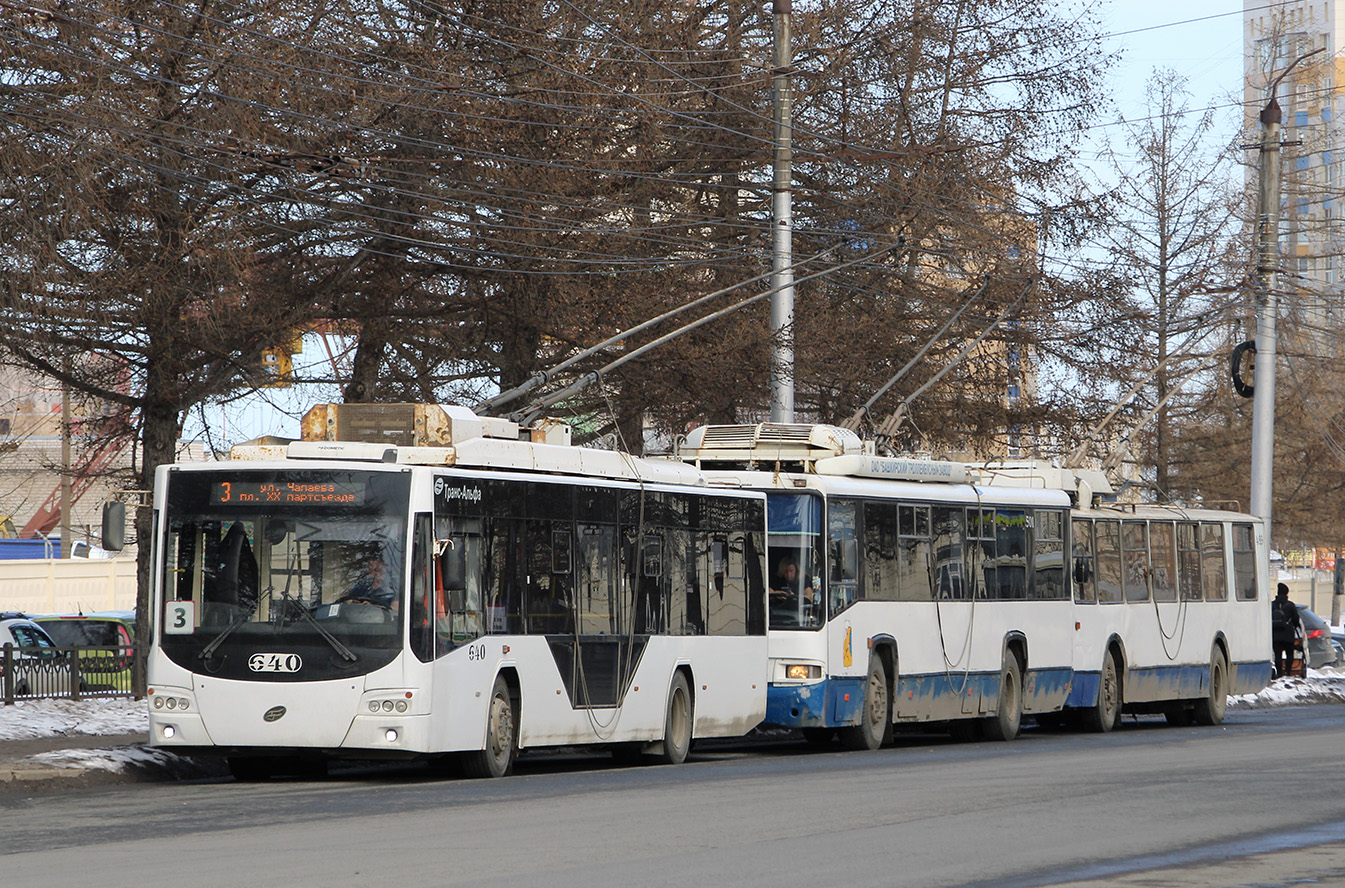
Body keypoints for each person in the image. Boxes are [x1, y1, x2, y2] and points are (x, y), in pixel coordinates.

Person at [1271, 583, 1301, 678]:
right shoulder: (1290, 605)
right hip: (1288, 635)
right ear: (1286, 593)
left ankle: (1279, 673)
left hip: (1275, 635)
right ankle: (1287, 672)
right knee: (1289, 654)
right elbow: (1296, 619)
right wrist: (1297, 627)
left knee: (1278, 655)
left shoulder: (1272, 605)